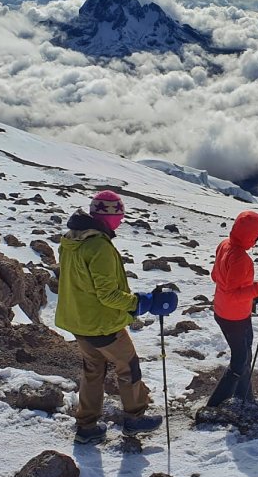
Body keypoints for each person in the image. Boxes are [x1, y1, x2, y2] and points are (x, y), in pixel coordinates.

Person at [56, 190, 177, 445]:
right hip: (102, 324)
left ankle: (87, 426)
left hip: (79, 320)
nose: (121, 221)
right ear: (109, 217)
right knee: (128, 366)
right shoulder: (98, 246)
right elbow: (108, 295)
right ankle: (135, 418)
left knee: (93, 370)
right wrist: (140, 303)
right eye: (119, 216)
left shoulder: (71, 241)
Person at [201, 211, 258, 413]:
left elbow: (216, 277)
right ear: (252, 235)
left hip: (224, 311)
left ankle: (245, 396)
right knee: (239, 361)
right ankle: (214, 406)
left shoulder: (225, 245)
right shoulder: (241, 259)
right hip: (234, 316)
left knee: (245, 354)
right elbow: (234, 294)